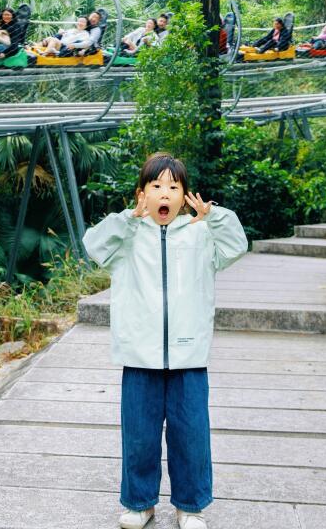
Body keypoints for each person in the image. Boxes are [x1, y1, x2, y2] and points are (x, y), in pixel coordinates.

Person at [83, 152, 248, 529]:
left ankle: (190, 506)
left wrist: (214, 216)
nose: (165, 193)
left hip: (189, 355)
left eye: (174, 187)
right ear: (142, 194)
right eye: (156, 186)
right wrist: (127, 218)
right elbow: (93, 245)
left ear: (185, 195)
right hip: (139, 355)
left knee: (190, 434)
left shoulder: (201, 234)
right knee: (139, 436)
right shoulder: (126, 236)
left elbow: (237, 245)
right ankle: (139, 503)